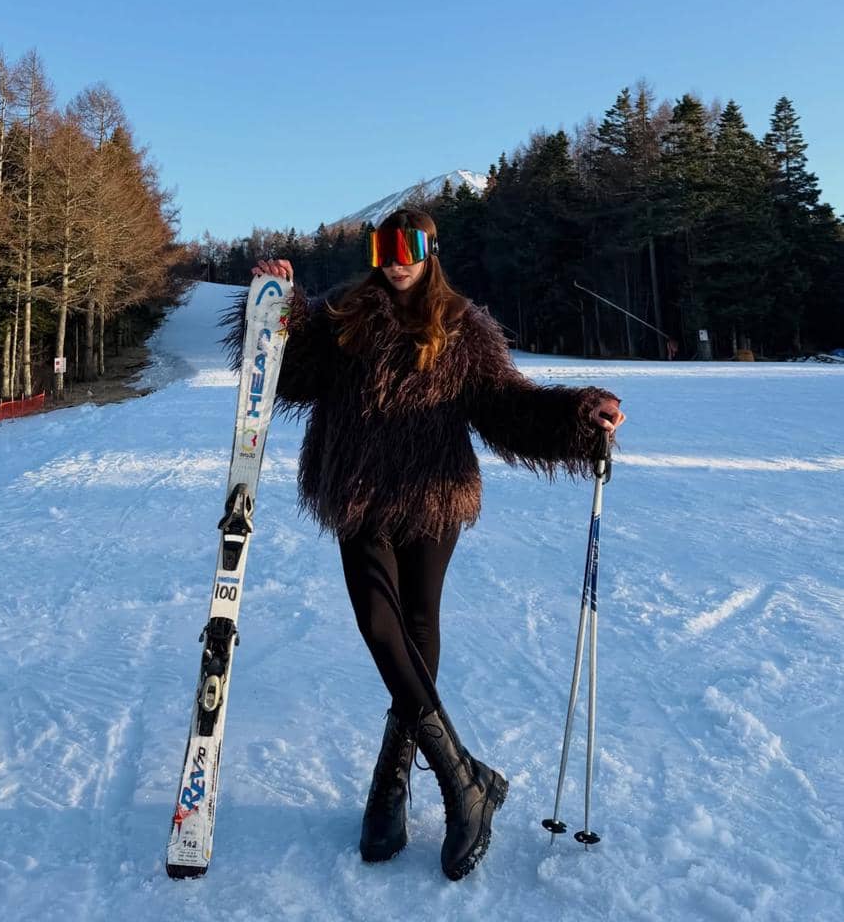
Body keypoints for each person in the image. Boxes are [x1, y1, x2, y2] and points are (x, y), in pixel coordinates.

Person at [232, 209, 625, 881]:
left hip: (432, 495)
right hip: (358, 495)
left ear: (430, 251)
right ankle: (462, 777)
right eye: (384, 247)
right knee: (382, 630)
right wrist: (281, 307)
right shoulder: (344, 317)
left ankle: (392, 780)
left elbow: (508, 406)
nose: (396, 260)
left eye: (409, 247)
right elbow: (287, 377)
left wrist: (575, 416)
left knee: (415, 630)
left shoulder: (462, 328)